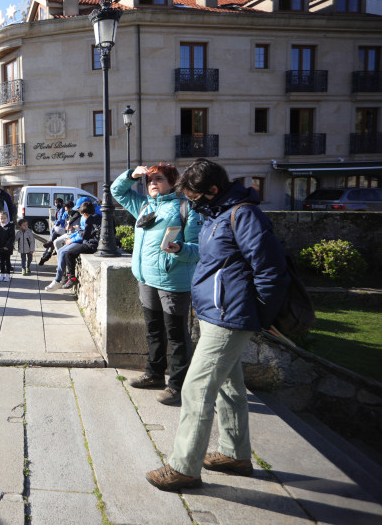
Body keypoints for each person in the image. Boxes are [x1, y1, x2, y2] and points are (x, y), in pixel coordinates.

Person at [146, 158, 290, 491]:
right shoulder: (216, 214)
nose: (192, 203)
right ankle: (235, 454)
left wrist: (260, 317)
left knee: (196, 389)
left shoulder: (245, 215)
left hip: (230, 316)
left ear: (213, 190)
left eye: (195, 197)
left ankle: (184, 467)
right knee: (229, 387)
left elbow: (270, 272)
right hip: (216, 313)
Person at [111, 164, 202, 406]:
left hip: (173, 282)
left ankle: (177, 385)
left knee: (177, 335)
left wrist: (180, 249)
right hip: (146, 279)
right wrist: (132, 174)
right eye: (149, 180)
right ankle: (154, 374)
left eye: (158, 179)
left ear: (173, 183)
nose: (152, 183)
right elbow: (117, 191)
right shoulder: (143, 205)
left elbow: (199, 249)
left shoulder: (186, 209)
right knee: (153, 330)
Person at [44, 201, 102, 291]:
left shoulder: (89, 219)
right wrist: (70, 237)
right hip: (82, 240)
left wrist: (71, 239)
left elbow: (83, 235)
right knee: (60, 250)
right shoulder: (88, 217)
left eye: (79, 210)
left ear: (84, 212)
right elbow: (80, 232)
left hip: (86, 242)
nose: (78, 212)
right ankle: (61, 277)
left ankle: (60, 279)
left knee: (65, 253)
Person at [39, 197, 66, 265]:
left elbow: (60, 219)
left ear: (60, 203)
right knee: (51, 243)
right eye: (55, 203)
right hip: (56, 229)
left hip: (59, 229)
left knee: (51, 243)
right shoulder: (58, 209)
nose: (55, 204)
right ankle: (45, 256)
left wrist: (54, 224)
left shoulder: (62, 209)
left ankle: (45, 257)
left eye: (56, 203)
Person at [0, 210, 15, 282]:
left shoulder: (10, 227)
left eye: (4, 218)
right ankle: (2, 275)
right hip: (0, 247)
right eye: (1, 218)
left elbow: (12, 237)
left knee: (7, 261)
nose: (3, 220)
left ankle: (8, 275)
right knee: (1, 261)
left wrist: (7, 246)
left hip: (7, 248)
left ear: (7, 218)